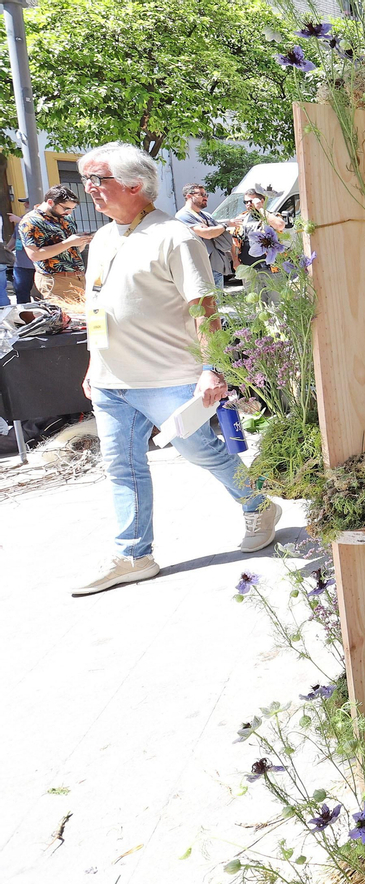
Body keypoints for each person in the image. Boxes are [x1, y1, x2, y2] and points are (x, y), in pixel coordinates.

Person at [71, 143, 281, 596]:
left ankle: (258, 504)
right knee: (121, 466)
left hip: (170, 377)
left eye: (98, 180)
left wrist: (211, 367)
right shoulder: (104, 238)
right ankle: (134, 554)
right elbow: (97, 307)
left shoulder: (175, 236)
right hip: (111, 382)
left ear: (134, 186)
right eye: (87, 179)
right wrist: (93, 364)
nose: (89, 189)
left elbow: (205, 308)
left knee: (203, 453)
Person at [18, 185, 91, 311]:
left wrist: (81, 241)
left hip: (78, 276)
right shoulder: (31, 221)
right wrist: (68, 243)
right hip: (55, 278)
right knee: (70, 322)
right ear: (50, 202)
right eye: (66, 208)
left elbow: (71, 251)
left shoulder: (66, 218)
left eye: (72, 209)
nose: (69, 212)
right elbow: (34, 255)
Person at [174, 183, 239, 288]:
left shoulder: (206, 216)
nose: (206, 197)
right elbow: (208, 234)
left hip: (216, 267)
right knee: (206, 302)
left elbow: (220, 234)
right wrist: (225, 225)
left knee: (216, 302)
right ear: (189, 196)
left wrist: (235, 259)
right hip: (200, 268)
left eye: (206, 195)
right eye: (202, 194)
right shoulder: (183, 215)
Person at [11, 203, 35, 304]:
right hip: (21, 264)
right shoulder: (21, 219)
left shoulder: (41, 219)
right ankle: (25, 317)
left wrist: (21, 221)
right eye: (24, 203)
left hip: (39, 264)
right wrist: (5, 250)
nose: (25, 205)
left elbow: (39, 229)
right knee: (21, 293)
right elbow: (14, 239)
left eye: (28, 202)